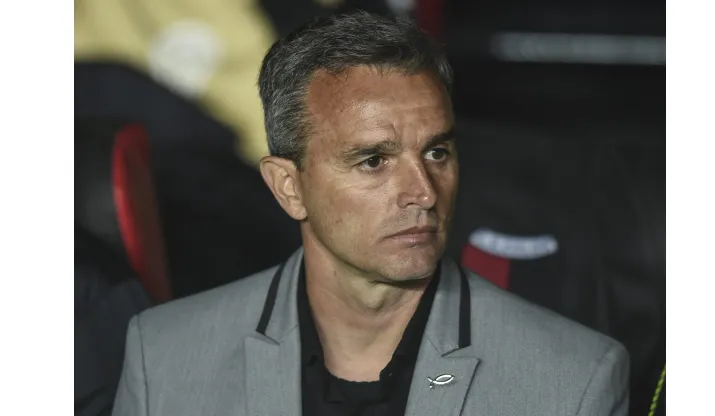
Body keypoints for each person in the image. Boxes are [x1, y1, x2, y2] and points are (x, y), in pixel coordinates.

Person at [112, 12, 629, 416]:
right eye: (374, 160)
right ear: (288, 187)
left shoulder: (573, 377)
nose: (423, 193)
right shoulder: (164, 357)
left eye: (437, 152)